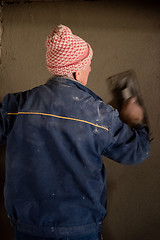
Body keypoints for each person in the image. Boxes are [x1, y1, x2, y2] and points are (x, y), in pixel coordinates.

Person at [0, 25, 150, 240]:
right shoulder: (99, 116)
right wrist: (136, 120)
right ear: (76, 70)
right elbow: (136, 152)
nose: (89, 70)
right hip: (79, 230)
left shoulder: (15, 105)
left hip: (27, 227)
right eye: (89, 65)